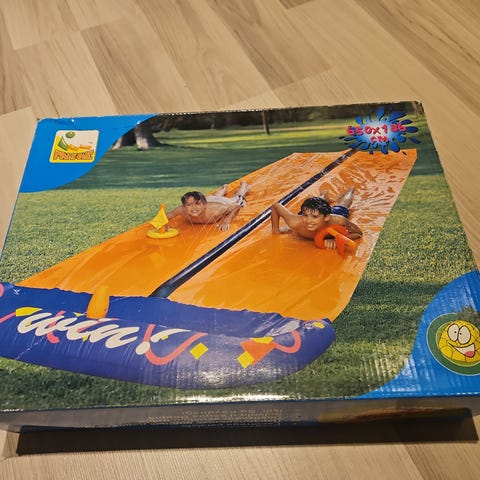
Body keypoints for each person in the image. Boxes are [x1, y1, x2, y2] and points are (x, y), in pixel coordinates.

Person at [270, 187, 362, 248]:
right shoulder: (295, 222)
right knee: (315, 207)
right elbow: (275, 206)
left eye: (314, 217)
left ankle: (351, 190)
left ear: (327, 217)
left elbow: (358, 233)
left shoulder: (338, 220)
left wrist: (336, 239)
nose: (308, 221)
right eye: (305, 216)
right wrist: (275, 230)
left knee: (342, 205)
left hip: (331, 213)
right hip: (314, 211)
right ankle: (324, 195)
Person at [167, 182, 250, 231]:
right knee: (214, 197)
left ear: (205, 205)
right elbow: (168, 215)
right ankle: (223, 189)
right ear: (184, 207)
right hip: (209, 199)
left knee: (238, 198)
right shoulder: (181, 210)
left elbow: (236, 206)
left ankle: (244, 187)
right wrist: (163, 224)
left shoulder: (216, 211)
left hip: (222, 202)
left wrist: (227, 220)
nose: (193, 208)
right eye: (189, 205)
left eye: (197, 204)